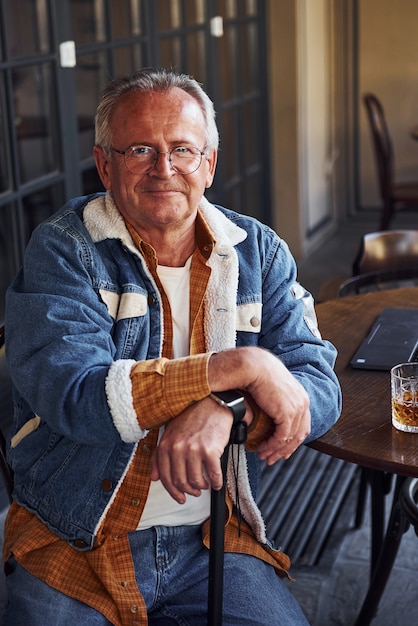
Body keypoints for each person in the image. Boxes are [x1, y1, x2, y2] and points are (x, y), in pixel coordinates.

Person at [2, 68, 341, 626]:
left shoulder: (259, 252)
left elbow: (317, 386)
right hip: (75, 539)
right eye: (141, 149)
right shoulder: (65, 250)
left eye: (182, 149)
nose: (165, 169)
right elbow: (75, 395)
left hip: (210, 539)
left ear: (208, 164)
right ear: (104, 164)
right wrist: (239, 366)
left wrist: (226, 410)